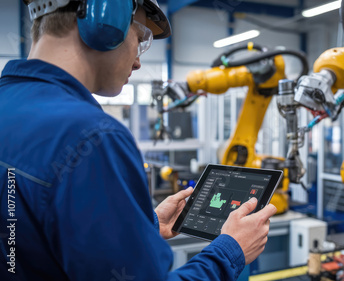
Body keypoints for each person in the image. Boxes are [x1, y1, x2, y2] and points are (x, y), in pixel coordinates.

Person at [0, 0, 277, 280]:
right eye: (141, 36)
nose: (138, 60)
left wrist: (144, 225)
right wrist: (231, 250)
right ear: (107, 18)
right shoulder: (93, 137)